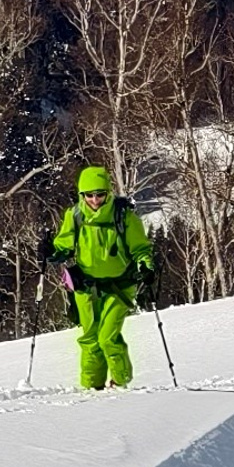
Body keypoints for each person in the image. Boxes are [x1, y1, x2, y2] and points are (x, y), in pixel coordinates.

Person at [48, 165, 155, 390]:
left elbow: (140, 249)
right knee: (90, 339)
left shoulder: (124, 216)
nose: (95, 200)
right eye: (89, 195)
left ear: (108, 192)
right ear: (82, 195)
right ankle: (91, 389)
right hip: (86, 287)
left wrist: (145, 266)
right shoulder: (75, 215)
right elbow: (64, 245)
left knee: (107, 337)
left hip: (120, 286)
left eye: (100, 194)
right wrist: (53, 252)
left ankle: (120, 382)